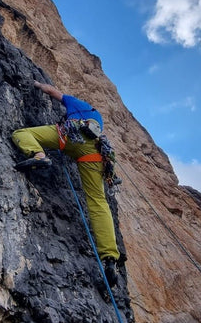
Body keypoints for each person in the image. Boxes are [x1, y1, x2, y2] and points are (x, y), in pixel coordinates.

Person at [11, 80, 120, 287]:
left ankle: (39, 155)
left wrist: (36, 83)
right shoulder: (98, 119)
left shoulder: (75, 103)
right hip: (94, 152)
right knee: (98, 201)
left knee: (22, 133)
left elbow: (52, 91)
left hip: (69, 136)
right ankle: (109, 257)